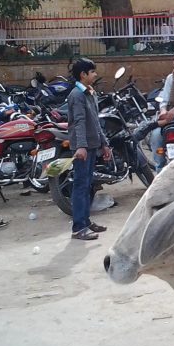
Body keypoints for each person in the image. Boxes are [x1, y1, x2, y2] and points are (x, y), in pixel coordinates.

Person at [66, 58, 112, 241]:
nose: (95, 75)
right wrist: (81, 147)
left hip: (93, 145)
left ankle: (85, 221)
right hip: (83, 148)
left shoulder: (89, 93)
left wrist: (104, 143)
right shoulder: (76, 95)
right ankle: (78, 227)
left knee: (87, 186)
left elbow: (95, 121)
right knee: (80, 186)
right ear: (83, 75)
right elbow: (79, 122)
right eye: (92, 72)